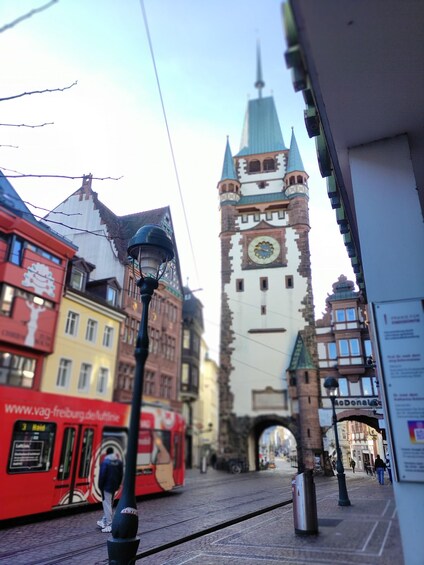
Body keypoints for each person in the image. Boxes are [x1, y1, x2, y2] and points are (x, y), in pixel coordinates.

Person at [97, 447, 123, 533]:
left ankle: (109, 524)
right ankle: (104, 520)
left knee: (107, 504)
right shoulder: (118, 462)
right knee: (109, 504)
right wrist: (118, 485)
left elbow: (102, 476)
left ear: (107, 453)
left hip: (106, 487)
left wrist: (100, 486)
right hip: (114, 487)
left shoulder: (105, 462)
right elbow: (120, 475)